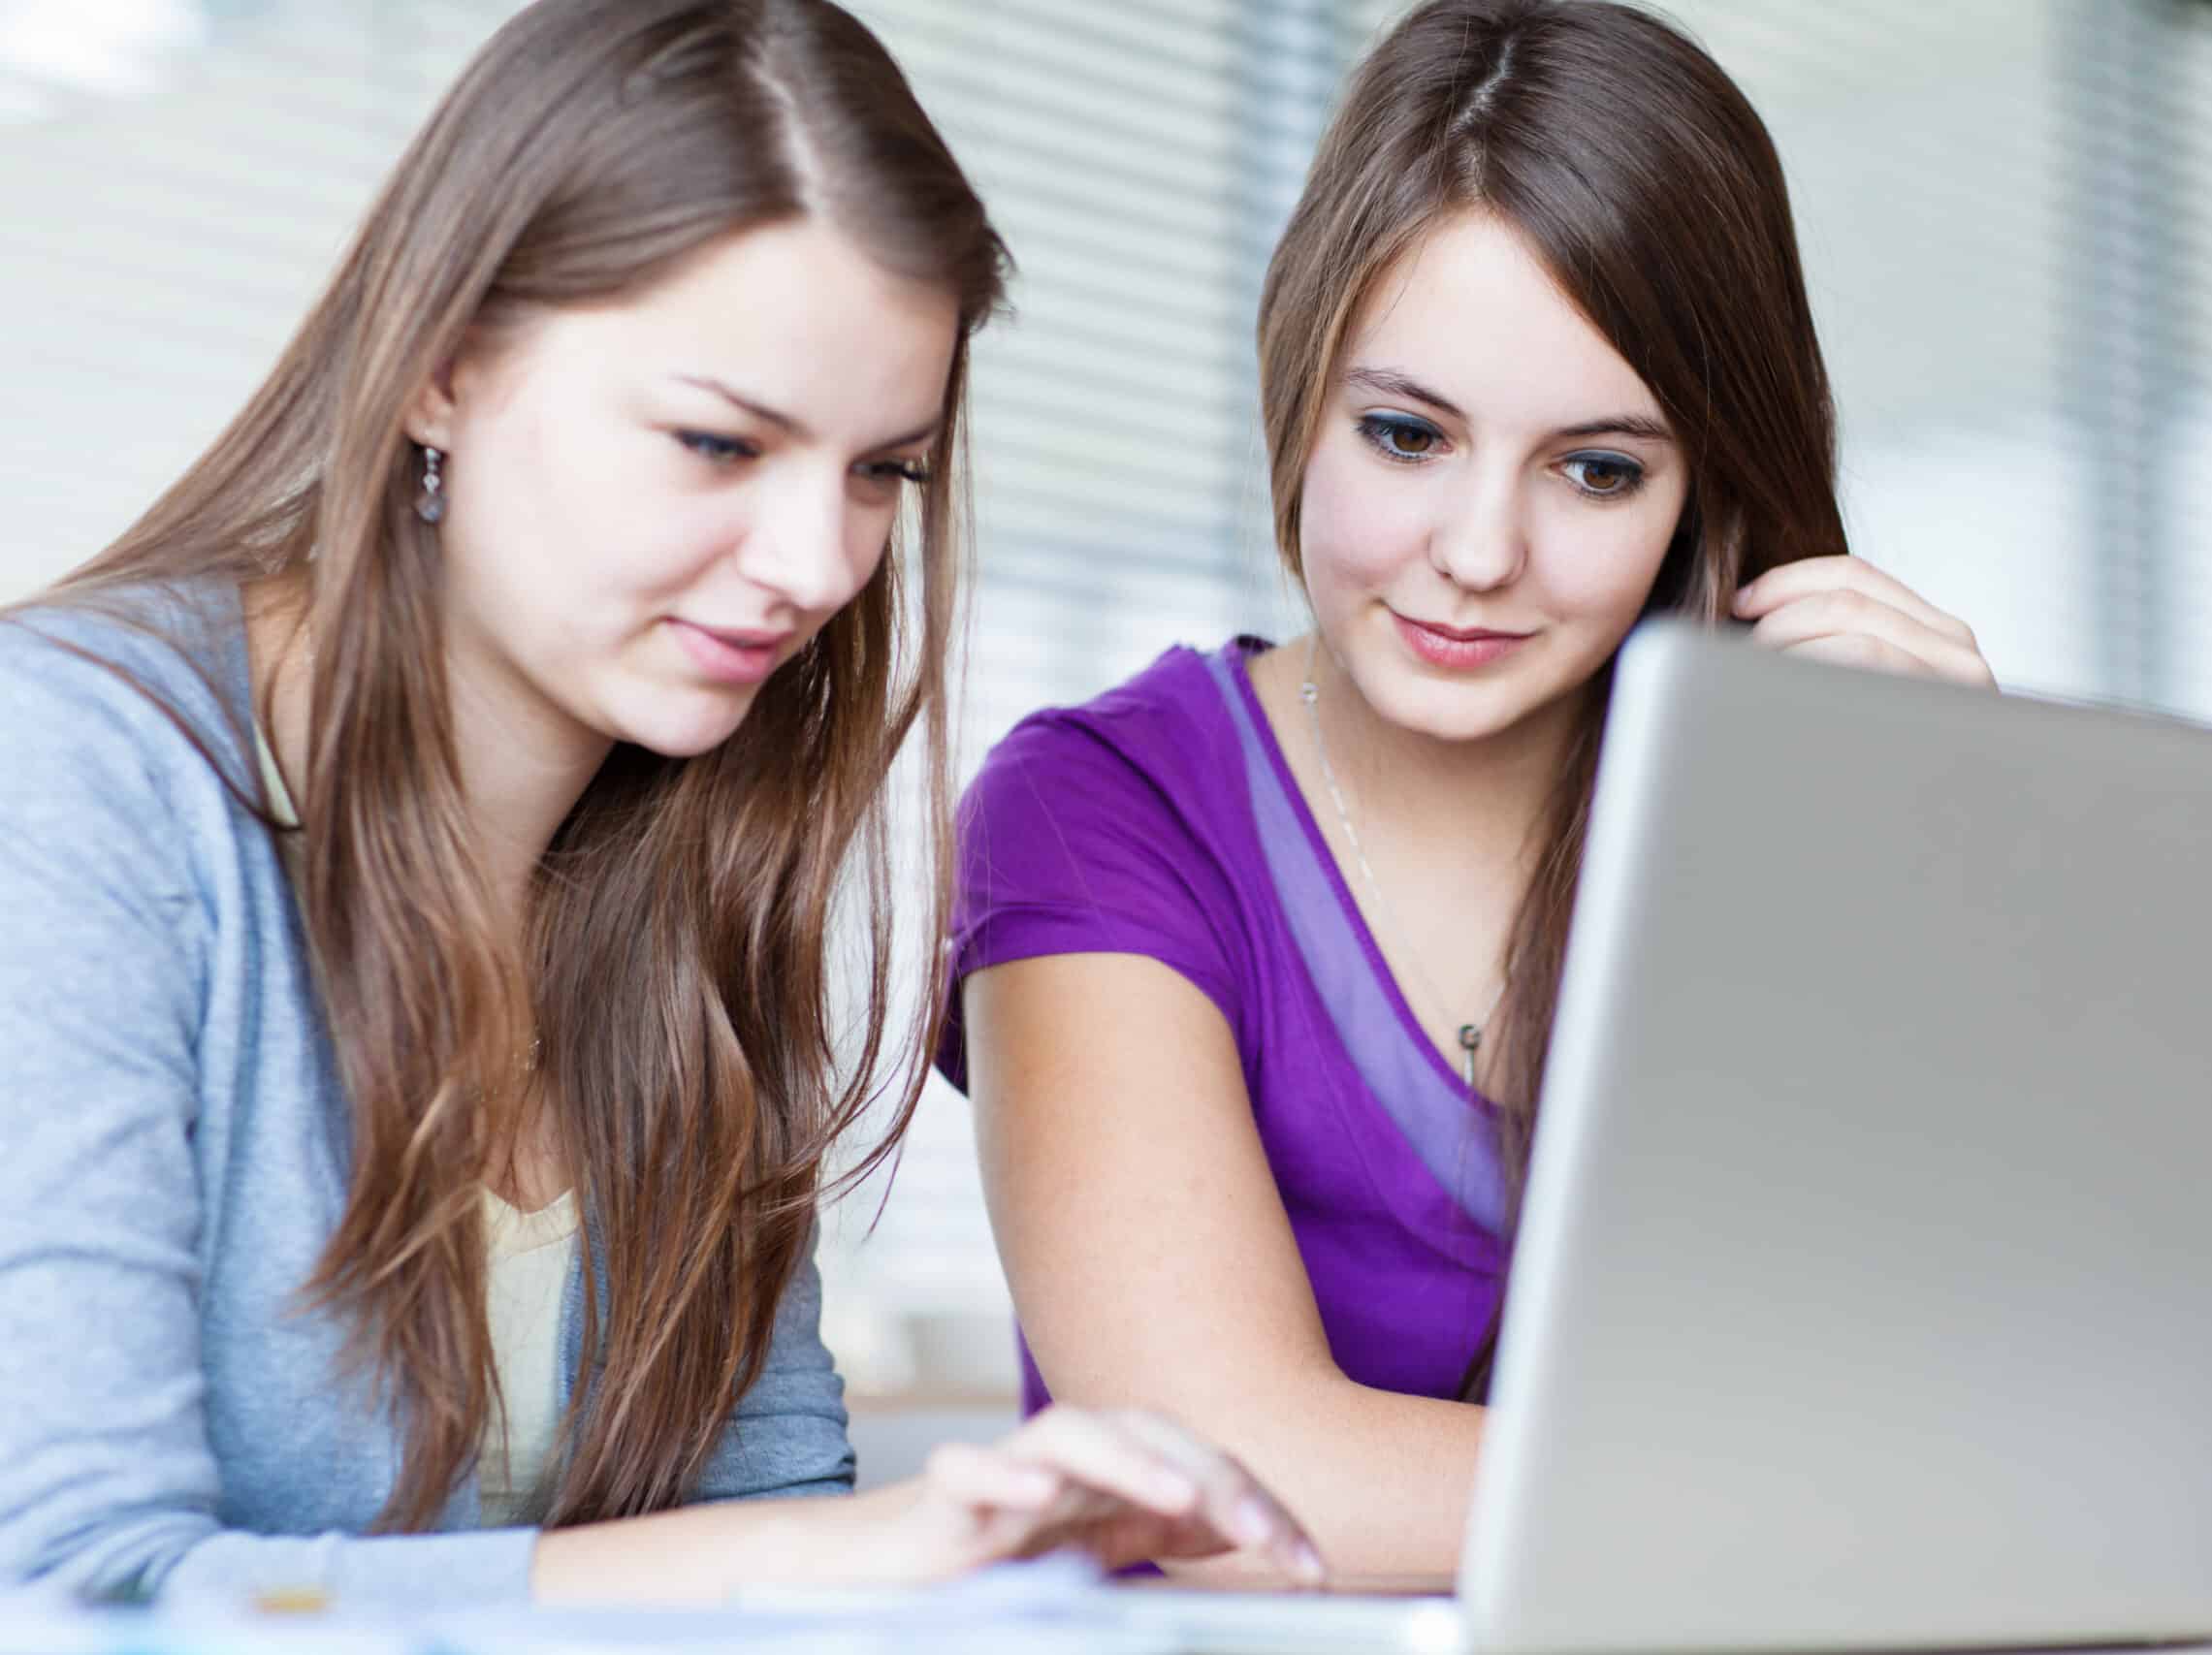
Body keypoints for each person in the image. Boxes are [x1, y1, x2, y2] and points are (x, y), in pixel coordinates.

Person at [948, 0, 2212, 1580]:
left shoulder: (1768, 821)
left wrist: (1969, 859)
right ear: (1299, 389)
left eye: (1597, 468)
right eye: (1408, 433)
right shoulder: (1099, 808)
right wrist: (1958, 1494)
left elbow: (2060, 1378)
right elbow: (1220, 1481)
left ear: (1705, 484)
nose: (1481, 550)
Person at [0, 0, 1322, 1610]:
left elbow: (772, 1519)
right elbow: (65, 1595)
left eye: (878, 472)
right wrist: (818, 1554)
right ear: (444, 367)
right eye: (719, 442)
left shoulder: (693, 848)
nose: (817, 565)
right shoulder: (71, 771)